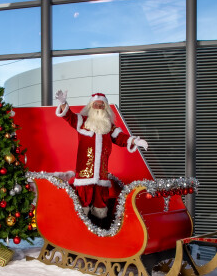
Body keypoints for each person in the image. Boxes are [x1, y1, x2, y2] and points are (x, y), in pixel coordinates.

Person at [54, 90, 148, 220]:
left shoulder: (108, 126)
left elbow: (121, 137)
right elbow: (69, 116)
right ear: (90, 106)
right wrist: (63, 103)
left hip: (101, 175)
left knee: (100, 207)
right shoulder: (82, 121)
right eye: (96, 104)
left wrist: (135, 141)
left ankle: (100, 228)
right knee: (82, 205)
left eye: (101, 105)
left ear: (106, 108)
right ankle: (80, 228)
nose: (98, 107)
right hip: (84, 176)